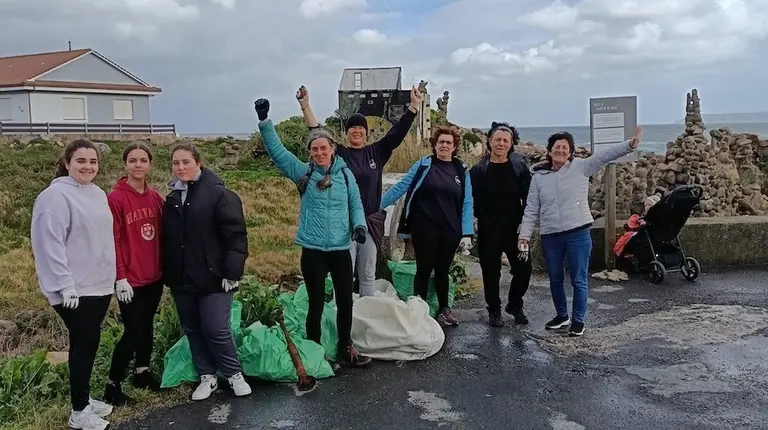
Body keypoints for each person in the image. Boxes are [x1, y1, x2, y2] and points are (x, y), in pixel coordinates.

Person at [254, 97, 372, 368]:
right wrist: (264, 121)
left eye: (323, 148)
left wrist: (359, 227)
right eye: (314, 149)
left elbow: (355, 203)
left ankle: (346, 347)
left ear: (333, 150)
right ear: (310, 153)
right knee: (316, 303)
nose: (319, 153)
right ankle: (314, 351)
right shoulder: (303, 172)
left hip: (342, 249)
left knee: (345, 302)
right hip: (313, 249)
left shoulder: (344, 175)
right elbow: (279, 153)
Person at [296, 85, 422, 297]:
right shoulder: (339, 154)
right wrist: (305, 106)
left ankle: (366, 317)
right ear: (346, 133)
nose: (356, 130)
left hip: (370, 223)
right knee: (343, 273)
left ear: (366, 132)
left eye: (360, 127)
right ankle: (341, 315)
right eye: (352, 127)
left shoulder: (377, 152)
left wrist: (413, 107)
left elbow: (396, 134)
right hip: (343, 224)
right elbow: (317, 132)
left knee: (368, 273)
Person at [518, 128, 642, 337]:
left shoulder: (581, 168)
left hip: (578, 233)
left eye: (565, 147)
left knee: (578, 279)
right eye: (557, 147)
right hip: (551, 235)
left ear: (571, 152)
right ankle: (561, 315)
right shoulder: (539, 178)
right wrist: (524, 236)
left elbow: (605, 155)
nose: (560, 150)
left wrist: (629, 145)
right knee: (555, 278)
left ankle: (578, 320)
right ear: (549, 151)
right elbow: (531, 209)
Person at [30, 139, 116, 430]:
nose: (87, 167)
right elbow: (49, 244)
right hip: (74, 289)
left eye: (93, 162)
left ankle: (85, 399)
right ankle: (79, 412)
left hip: (100, 285)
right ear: (67, 163)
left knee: (86, 344)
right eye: (81, 161)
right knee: (86, 343)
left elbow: (101, 238)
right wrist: (64, 284)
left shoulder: (98, 193)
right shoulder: (54, 197)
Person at [161, 143, 251, 401]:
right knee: (193, 329)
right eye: (176, 163)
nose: (180, 167)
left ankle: (234, 374)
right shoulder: (172, 197)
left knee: (216, 328)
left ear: (198, 163)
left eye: (186, 162)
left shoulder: (219, 194)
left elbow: (235, 236)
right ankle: (207, 376)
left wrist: (232, 273)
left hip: (214, 277)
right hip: (182, 278)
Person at [380, 125, 474, 327]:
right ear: (435, 144)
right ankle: (418, 308)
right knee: (424, 268)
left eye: (449, 142)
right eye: (441, 142)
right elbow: (401, 187)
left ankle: (444, 309)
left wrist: (467, 233)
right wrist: (375, 205)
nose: (445, 145)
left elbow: (467, 202)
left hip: (450, 230)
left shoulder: (461, 170)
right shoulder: (424, 164)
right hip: (424, 227)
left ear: (455, 146)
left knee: (442, 270)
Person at [104, 143, 165, 406]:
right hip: (131, 279)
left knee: (148, 325)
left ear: (150, 164)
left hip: (154, 275)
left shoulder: (155, 198)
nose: (138, 165)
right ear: (125, 164)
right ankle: (112, 383)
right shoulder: (116, 198)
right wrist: (120, 277)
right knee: (133, 329)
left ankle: (142, 371)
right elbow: (113, 239)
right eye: (132, 160)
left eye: (143, 160)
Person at [469, 122, 533, 328]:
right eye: (497, 139)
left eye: (505, 140)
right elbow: (470, 200)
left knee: (524, 269)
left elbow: (530, 197)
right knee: (490, 271)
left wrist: (526, 224)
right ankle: (494, 310)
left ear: (511, 143)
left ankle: (515, 304)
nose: (501, 143)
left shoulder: (520, 166)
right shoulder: (479, 169)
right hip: (488, 228)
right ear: (489, 141)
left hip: (516, 229)